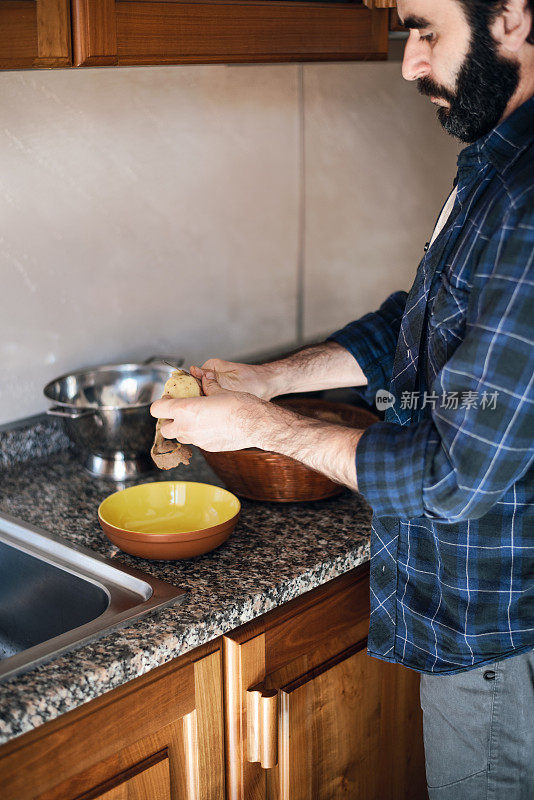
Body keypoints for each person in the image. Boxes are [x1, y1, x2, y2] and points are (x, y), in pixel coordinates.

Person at [151, 0, 534, 796]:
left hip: (503, 644)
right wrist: (272, 378)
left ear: (515, 17)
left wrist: (266, 426)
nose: (409, 63)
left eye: (427, 29)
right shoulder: (497, 168)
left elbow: (450, 475)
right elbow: (423, 323)